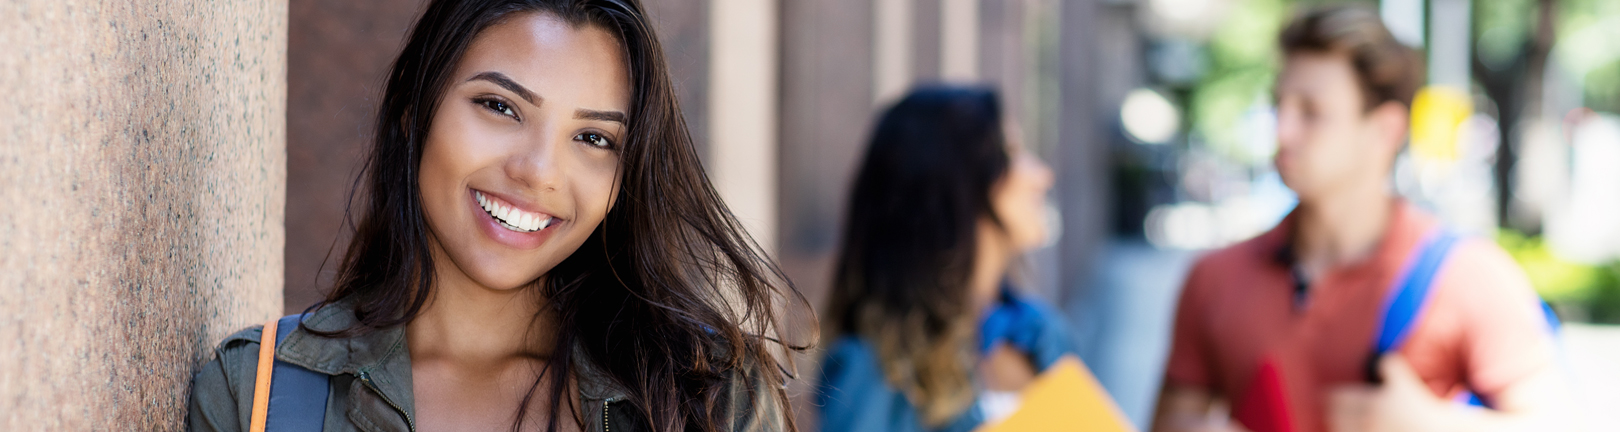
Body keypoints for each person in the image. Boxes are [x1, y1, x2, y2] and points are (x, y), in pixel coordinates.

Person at [187, 1, 807, 431]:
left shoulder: (705, 399)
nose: (539, 171)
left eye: (593, 139)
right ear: (414, 112)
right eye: (500, 106)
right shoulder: (259, 396)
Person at [1151, 5, 1578, 432]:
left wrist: (1430, 425)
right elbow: (1169, 420)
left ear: (1386, 130)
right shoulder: (1214, 279)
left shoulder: (1470, 277)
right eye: (1278, 105)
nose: (1283, 130)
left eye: (1311, 111)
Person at [816, 86, 1079, 432]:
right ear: (953, 183)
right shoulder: (872, 370)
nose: (1042, 174)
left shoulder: (1041, 332)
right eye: (1012, 153)